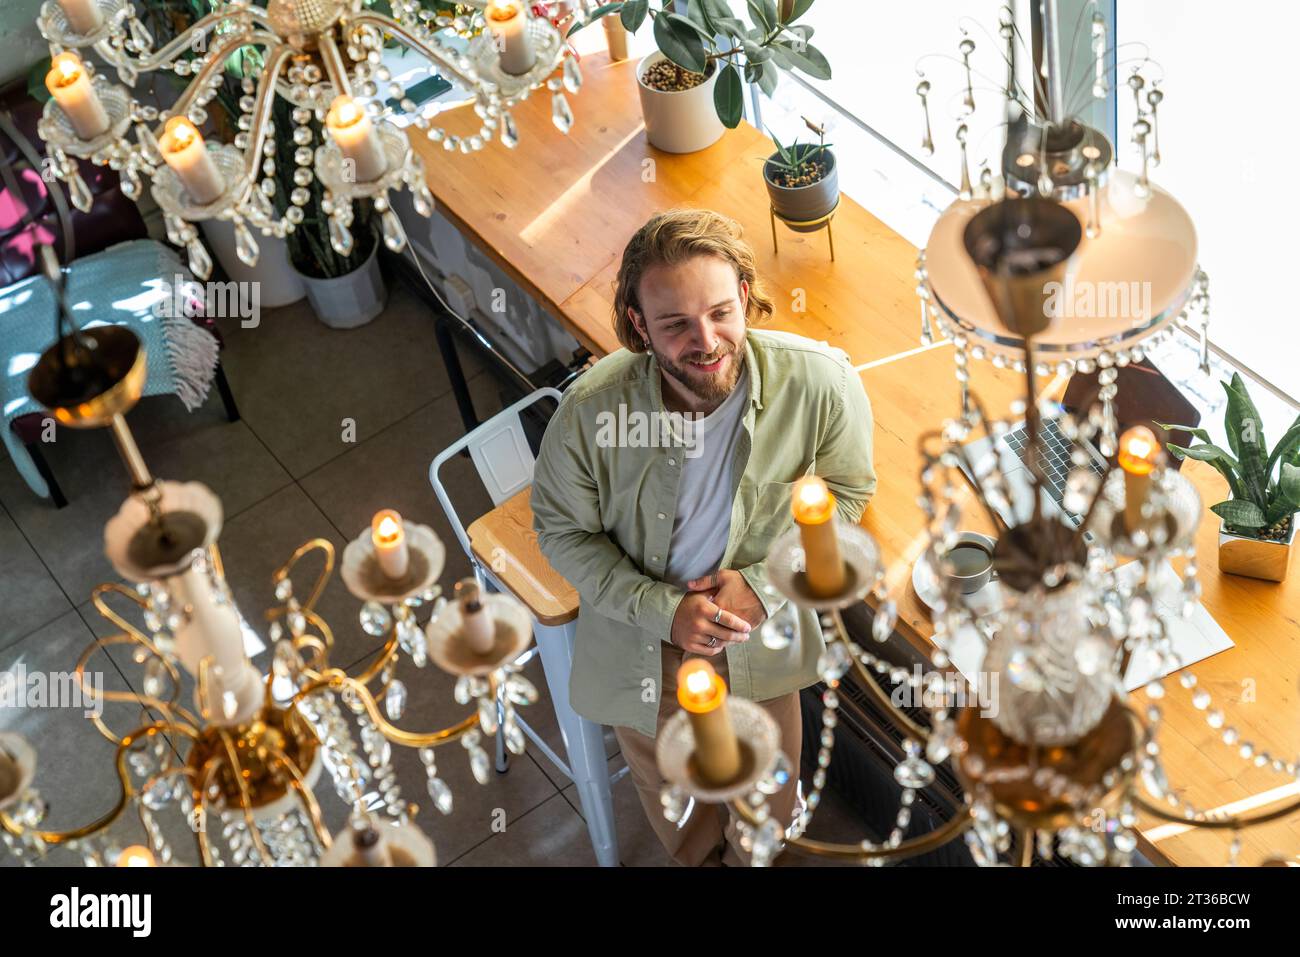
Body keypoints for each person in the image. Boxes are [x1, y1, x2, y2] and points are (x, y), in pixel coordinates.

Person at [531, 208, 876, 866]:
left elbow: (850, 492)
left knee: (764, 822)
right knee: (686, 827)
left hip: (761, 642)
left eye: (721, 311)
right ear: (638, 323)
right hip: (643, 647)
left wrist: (769, 582)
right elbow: (561, 532)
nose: (708, 340)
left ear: (745, 292)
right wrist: (666, 610)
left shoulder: (822, 384)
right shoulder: (589, 413)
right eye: (676, 325)